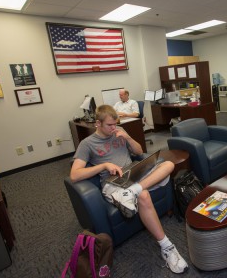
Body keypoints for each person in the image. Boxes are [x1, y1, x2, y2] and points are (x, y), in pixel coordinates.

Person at [70, 105, 188, 274]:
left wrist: (128, 138)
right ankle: (167, 248)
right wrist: (103, 165)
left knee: (168, 164)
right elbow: (74, 175)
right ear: (98, 123)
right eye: (109, 125)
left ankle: (132, 191)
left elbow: (139, 151)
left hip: (133, 173)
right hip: (113, 182)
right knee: (144, 195)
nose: (113, 128)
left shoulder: (119, 131)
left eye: (115, 124)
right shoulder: (87, 144)